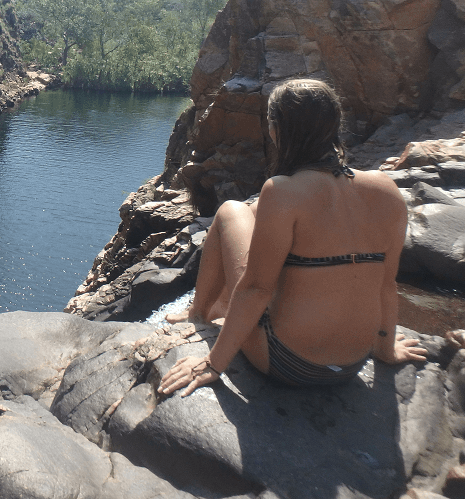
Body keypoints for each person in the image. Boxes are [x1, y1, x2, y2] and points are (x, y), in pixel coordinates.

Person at [158, 78, 427, 397]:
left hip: (289, 362)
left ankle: (200, 314)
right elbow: (386, 283)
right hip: (353, 363)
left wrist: (213, 365)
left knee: (231, 211)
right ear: (334, 127)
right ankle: (214, 308)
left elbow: (256, 289)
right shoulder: (386, 189)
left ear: (276, 130)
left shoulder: (283, 191)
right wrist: (386, 350)